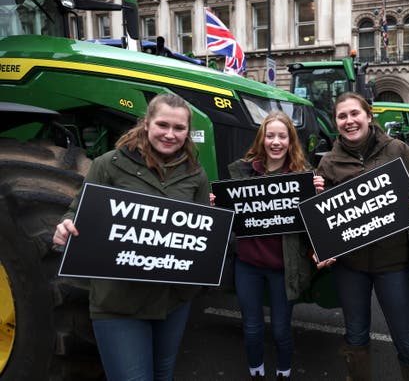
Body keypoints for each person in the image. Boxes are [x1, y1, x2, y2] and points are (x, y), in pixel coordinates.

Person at [52, 93, 210, 380]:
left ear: (188, 131)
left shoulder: (195, 173)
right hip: (118, 301)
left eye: (179, 128)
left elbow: (200, 232)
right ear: (147, 123)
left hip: (172, 300)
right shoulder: (107, 164)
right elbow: (77, 212)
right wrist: (66, 225)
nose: (170, 134)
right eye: (163, 125)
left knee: (163, 375)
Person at [315, 92, 409, 381]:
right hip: (350, 266)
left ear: (369, 116)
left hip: (394, 263)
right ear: (336, 123)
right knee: (355, 336)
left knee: (408, 340)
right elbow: (321, 217)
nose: (349, 121)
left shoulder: (398, 150)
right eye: (342, 116)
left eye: (355, 113)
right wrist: (316, 196)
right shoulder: (328, 162)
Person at [216, 111, 324, 381]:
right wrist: (218, 206)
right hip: (248, 266)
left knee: (280, 329)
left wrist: (317, 196)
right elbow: (230, 219)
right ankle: (256, 371)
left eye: (282, 136)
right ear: (262, 139)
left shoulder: (304, 176)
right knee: (251, 327)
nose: (276, 142)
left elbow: (314, 224)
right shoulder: (241, 172)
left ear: (291, 141)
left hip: (283, 267)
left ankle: (284, 372)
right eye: (270, 135)